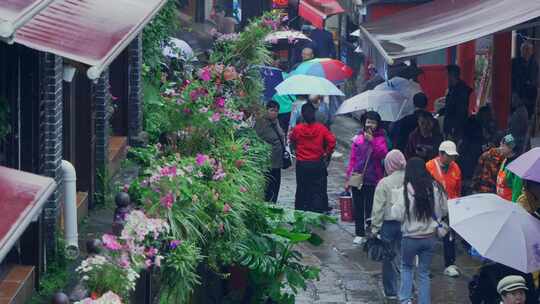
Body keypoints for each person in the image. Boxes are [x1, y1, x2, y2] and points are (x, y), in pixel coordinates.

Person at [394, 157, 448, 304]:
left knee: (406, 267)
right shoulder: (435, 188)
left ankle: (406, 300)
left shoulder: (405, 191)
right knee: (423, 273)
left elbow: (397, 214)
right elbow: (444, 210)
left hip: (410, 238)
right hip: (430, 238)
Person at [346, 111, 388, 244]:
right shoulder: (358, 138)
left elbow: (383, 154)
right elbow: (353, 158)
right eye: (368, 121)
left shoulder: (381, 138)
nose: (370, 124)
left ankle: (371, 232)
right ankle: (359, 233)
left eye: (373, 122)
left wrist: (372, 142)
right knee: (358, 206)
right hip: (357, 177)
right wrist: (349, 176)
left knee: (371, 207)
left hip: (373, 178)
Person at [371, 150, 407, 300]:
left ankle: (391, 292)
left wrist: (375, 228)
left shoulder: (384, 183)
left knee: (389, 259)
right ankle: (406, 288)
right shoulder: (410, 180)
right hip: (407, 224)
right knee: (405, 257)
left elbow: (378, 209)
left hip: (389, 225)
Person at [290, 103, 336, 212]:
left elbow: (292, 141)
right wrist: (327, 153)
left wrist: (297, 151)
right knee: (318, 189)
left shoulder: (297, 129)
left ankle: (301, 210)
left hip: (302, 164)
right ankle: (317, 210)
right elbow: (332, 141)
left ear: (302, 115)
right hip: (317, 163)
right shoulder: (321, 128)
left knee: (301, 188)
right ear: (314, 113)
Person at [426, 141, 462, 277]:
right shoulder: (429, 166)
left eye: (453, 156)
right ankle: (425, 265)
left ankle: (450, 264)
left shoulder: (456, 168)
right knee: (429, 236)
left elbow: (458, 189)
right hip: (433, 208)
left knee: (449, 236)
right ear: (440, 154)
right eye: (449, 156)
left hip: (450, 207)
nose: (452, 159)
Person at [255, 101, 286, 203]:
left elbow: (281, 136)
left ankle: (273, 204)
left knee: (275, 186)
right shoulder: (261, 123)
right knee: (267, 188)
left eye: (276, 111)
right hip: (267, 162)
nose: (274, 113)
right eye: (272, 110)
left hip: (277, 162)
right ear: (266, 110)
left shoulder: (276, 122)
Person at [438, 64, 472, 142]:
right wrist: (442, 110)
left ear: (452, 75)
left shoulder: (462, 91)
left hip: (456, 129)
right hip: (449, 126)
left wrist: (454, 129)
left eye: (446, 75)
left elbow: (461, 112)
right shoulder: (451, 89)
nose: (445, 78)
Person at [470, 266, 538, 304]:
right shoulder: (525, 271)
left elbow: (476, 297)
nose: (518, 297)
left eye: (521, 293)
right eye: (513, 294)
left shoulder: (487, 270)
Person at [512, 41, 538, 116]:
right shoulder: (514, 62)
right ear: (521, 50)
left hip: (530, 94)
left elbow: (535, 79)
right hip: (518, 92)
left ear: (532, 51)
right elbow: (513, 78)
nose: (526, 52)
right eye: (524, 49)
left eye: (528, 50)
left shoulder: (534, 63)